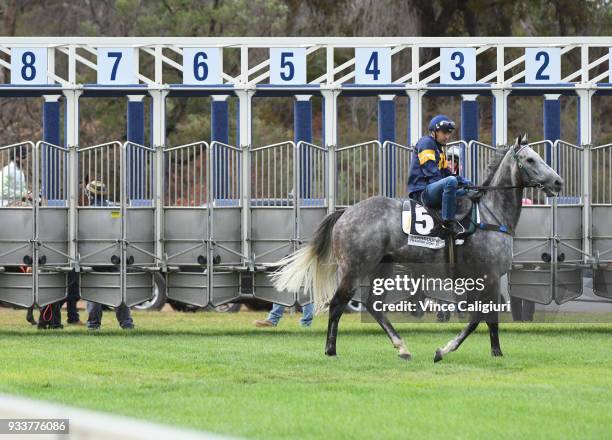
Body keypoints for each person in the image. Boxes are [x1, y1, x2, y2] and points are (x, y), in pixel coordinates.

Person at [407, 115, 472, 236]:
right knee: (451, 181)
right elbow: (431, 173)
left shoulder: (439, 149)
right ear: (434, 131)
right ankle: (446, 224)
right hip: (421, 192)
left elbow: (447, 173)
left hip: (432, 189)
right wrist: (452, 184)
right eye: (444, 133)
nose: (447, 137)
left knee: (467, 191)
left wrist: (466, 183)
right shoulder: (426, 143)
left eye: (449, 133)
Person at [84, 180, 134, 330]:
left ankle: (93, 324)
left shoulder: (86, 212)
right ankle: (126, 323)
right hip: (115, 255)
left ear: (89, 194)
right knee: (118, 289)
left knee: (94, 290)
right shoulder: (115, 208)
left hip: (94, 256)